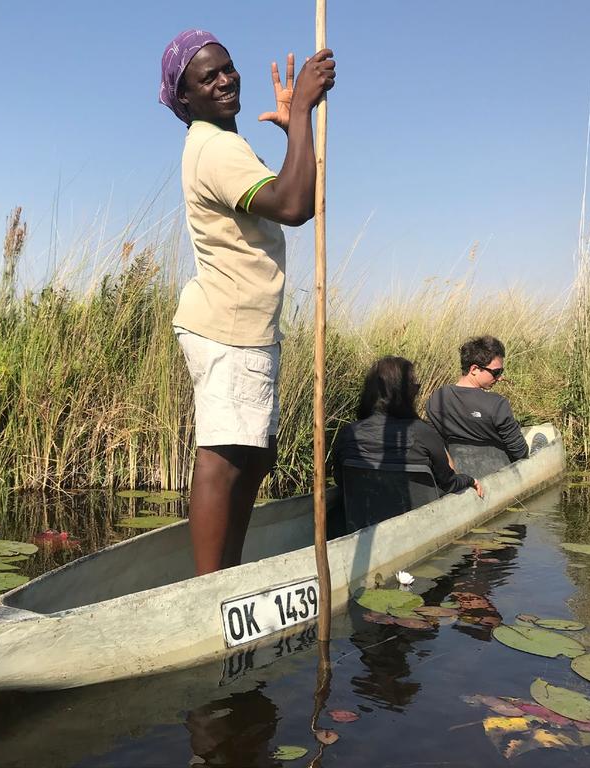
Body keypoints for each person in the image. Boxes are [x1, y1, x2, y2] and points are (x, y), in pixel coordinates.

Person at [158, 30, 336, 574]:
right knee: (224, 457)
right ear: (184, 99)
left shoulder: (225, 145)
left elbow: (282, 190)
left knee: (257, 455)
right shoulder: (215, 147)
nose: (226, 79)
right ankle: (211, 591)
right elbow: (293, 203)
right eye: (207, 77)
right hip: (227, 324)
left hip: (246, 323)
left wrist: (291, 132)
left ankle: (227, 569)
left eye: (228, 68)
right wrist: (303, 109)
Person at [331, 356, 483, 498]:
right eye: (415, 388)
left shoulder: (347, 434)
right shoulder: (424, 433)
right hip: (417, 519)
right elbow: (449, 483)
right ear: (407, 394)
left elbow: (340, 480)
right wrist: (469, 480)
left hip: (362, 518)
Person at [425, 336, 529, 464]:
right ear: (474, 369)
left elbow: (434, 441)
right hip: (499, 471)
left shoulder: (436, 398)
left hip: (457, 474)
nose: (500, 378)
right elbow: (520, 452)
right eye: (496, 372)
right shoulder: (497, 404)